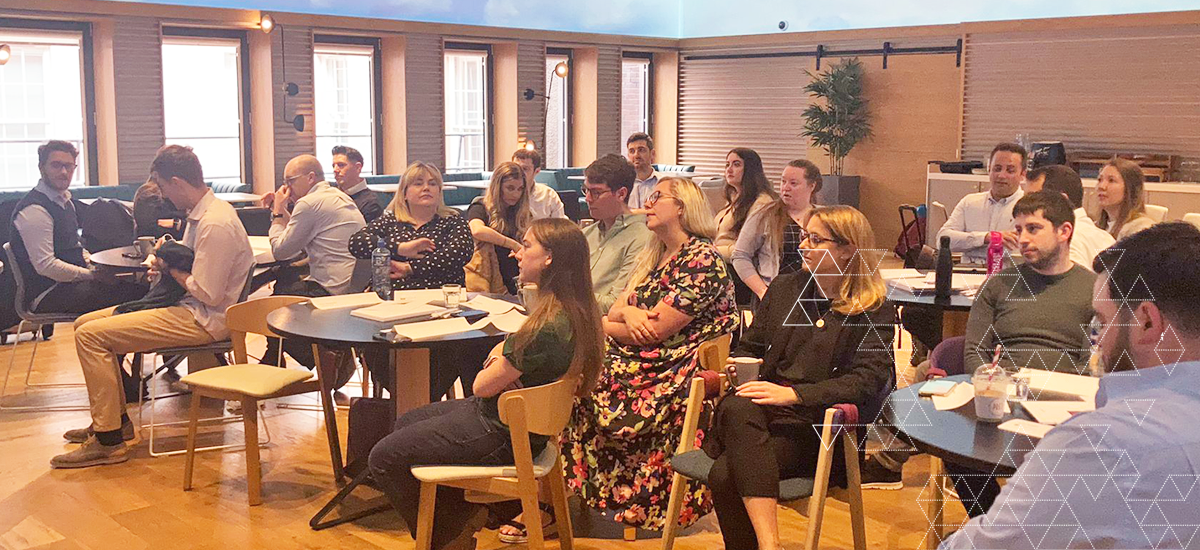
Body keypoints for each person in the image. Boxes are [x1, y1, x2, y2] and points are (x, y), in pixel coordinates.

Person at [940, 221, 1200, 550]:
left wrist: (1059, 462)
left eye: (1103, 322)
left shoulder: (1104, 445)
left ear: (1145, 321)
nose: (1098, 341)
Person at [368, 218, 604, 550]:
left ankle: (448, 534)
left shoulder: (545, 326)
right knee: (406, 421)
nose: (517, 254)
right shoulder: (574, 310)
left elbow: (481, 386)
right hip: (519, 424)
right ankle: (462, 516)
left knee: (383, 457)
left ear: (549, 258)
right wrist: (504, 356)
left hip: (504, 430)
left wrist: (498, 355)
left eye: (527, 246)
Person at [52, 145, 254, 469]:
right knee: (84, 324)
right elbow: (190, 269)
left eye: (161, 186)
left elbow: (209, 293)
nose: (162, 195)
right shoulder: (201, 216)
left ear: (176, 181)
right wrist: (165, 264)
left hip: (204, 319)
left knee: (91, 336)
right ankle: (113, 422)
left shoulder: (215, 223)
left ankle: (109, 442)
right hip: (189, 307)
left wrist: (170, 269)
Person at [708, 205, 895, 550]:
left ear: (847, 248)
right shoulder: (784, 289)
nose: (802, 245)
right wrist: (739, 363)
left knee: (724, 472)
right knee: (737, 407)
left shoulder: (873, 307)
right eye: (804, 236)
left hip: (815, 428)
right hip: (759, 415)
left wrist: (794, 395)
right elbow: (750, 345)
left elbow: (868, 380)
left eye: (815, 238)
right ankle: (770, 545)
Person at [561, 176, 738, 531]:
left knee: (574, 377)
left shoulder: (701, 258)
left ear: (683, 207)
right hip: (639, 356)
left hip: (668, 367)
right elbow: (615, 313)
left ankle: (553, 497)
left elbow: (654, 334)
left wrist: (615, 323)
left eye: (658, 197)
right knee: (565, 366)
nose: (648, 204)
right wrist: (627, 314)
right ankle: (551, 493)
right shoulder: (655, 253)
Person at [949, 190, 1097, 517]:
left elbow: (1100, 359)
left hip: (1065, 402)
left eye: (1033, 228)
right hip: (1003, 398)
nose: (1022, 239)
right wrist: (991, 389)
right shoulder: (1000, 284)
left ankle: (1014, 529)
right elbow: (975, 349)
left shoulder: (1094, 288)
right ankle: (992, 524)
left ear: (1064, 231)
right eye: (1018, 230)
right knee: (953, 445)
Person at [348, 162, 475, 398]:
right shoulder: (390, 222)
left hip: (440, 311)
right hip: (392, 312)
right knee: (378, 349)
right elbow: (356, 243)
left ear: (440, 191)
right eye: (418, 183)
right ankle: (404, 402)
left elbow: (457, 255)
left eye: (432, 183)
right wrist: (400, 248)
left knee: (452, 354)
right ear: (405, 192)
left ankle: (422, 403)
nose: (426, 188)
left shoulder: (453, 221)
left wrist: (409, 269)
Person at [8, 140, 147, 314]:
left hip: (68, 284)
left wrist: (93, 265)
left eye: (69, 166)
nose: (64, 172)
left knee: (139, 288)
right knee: (139, 295)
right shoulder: (35, 211)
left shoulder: (65, 202)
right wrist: (92, 275)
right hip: (47, 293)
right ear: (41, 167)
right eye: (56, 165)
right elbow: (46, 266)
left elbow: (75, 246)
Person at [260, 154, 365, 383]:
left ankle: (330, 356)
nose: (285, 187)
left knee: (271, 310)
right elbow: (299, 234)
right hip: (353, 285)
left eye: (290, 180)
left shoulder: (308, 203)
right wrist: (283, 212)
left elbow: (280, 250)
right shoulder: (334, 195)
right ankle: (275, 360)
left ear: (309, 177)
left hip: (330, 289)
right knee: (285, 286)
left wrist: (278, 213)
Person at [731, 159, 821, 301]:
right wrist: (762, 292)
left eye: (793, 183)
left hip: (813, 294)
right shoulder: (764, 215)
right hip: (775, 294)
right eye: (783, 182)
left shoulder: (823, 216)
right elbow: (740, 256)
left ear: (811, 186)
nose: (786, 188)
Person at [581, 154, 653, 312]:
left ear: (621, 194)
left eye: (596, 192)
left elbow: (615, 304)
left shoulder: (641, 237)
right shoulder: (587, 234)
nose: (588, 198)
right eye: (585, 190)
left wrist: (567, 295)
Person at [937, 142, 1026, 263]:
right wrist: (985, 237)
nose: (1001, 175)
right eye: (997, 169)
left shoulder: (1031, 208)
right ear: (989, 170)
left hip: (1010, 276)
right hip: (967, 273)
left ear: (1023, 175)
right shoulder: (970, 202)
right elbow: (942, 240)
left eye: (1010, 170)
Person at [1025, 164, 1114, 269]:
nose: (1026, 206)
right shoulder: (1106, 238)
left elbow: (1070, 283)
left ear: (1061, 201)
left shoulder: (1065, 240)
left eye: (1034, 199)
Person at [464, 162, 531, 295]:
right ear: (497, 187)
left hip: (516, 277)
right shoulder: (480, 207)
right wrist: (513, 244)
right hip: (489, 277)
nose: (516, 194)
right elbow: (477, 230)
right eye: (510, 188)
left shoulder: (522, 213)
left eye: (520, 189)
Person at [714, 148, 778, 260]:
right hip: (717, 259)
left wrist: (712, 251)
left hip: (736, 266)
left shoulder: (761, 202)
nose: (729, 170)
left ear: (750, 169)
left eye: (736, 165)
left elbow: (749, 249)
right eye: (727, 164)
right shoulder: (734, 198)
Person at [1096, 157, 1156, 241]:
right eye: (1100, 180)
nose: (1101, 186)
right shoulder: (1095, 228)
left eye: (1111, 180)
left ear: (1130, 188)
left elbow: (1119, 254)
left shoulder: (1142, 230)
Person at [331, 145, 384, 223]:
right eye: (333, 166)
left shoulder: (371, 204)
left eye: (341, 165)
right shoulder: (330, 191)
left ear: (358, 167)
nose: (335, 170)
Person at [511, 148, 566, 220]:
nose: (518, 172)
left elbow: (560, 225)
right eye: (515, 167)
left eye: (525, 169)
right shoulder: (503, 192)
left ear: (537, 171)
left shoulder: (548, 195)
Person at [624, 132, 658, 209]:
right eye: (632, 151)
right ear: (628, 156)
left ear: (652, 154)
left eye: (641, 150)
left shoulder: (663, 183)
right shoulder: (621, 184)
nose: (636, 155)